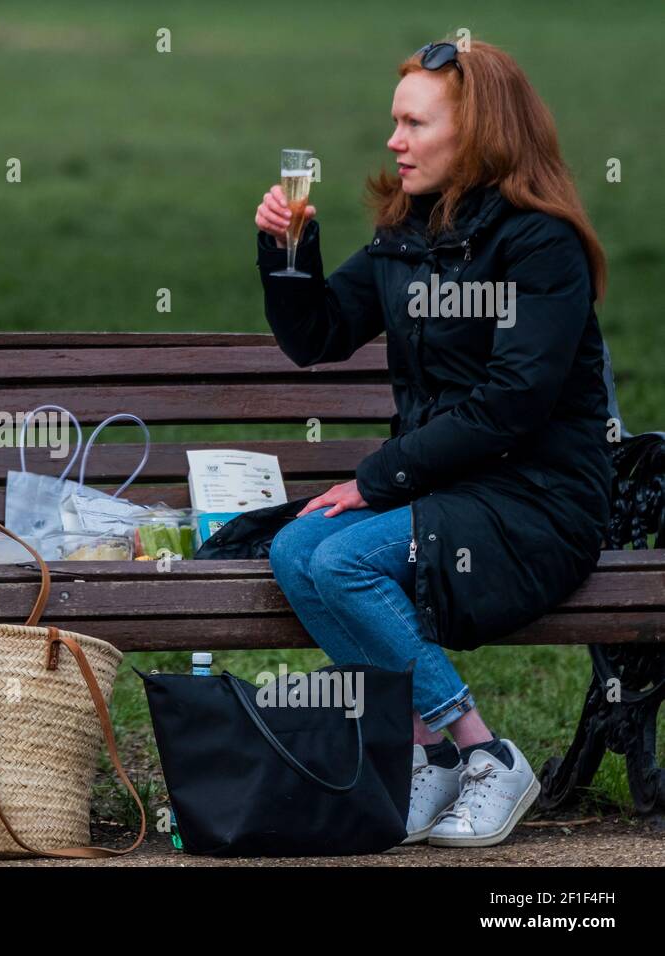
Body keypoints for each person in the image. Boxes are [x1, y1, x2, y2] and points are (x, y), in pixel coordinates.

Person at [254, 39, 615, 848]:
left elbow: (512, 407)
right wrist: (287, 249)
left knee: (341, 559)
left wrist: (378, 479)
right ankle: (428, 760)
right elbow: (318, 335)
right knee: (295, 549)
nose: (394, 141)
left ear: (479, 134)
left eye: (414, 124)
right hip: (449, 492)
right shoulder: (412, 234)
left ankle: (484, 751)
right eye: (395, 122)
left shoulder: (539, 246)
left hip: (538, 499)